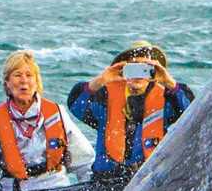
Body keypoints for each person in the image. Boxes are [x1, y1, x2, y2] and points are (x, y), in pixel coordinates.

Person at [0, 50, 93, 191]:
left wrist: (92, 188)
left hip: (56, 190)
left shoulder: (57, 114)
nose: (23, 81)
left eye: (29, 75)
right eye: (17, 75)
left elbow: (84, 160)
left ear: (36, 81)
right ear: (7, 83)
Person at [68, 41, 196, 178]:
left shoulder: (167, 100)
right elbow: (76, 104)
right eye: (133, 68)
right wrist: (101, 80)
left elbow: (192, 114)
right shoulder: (104, 98)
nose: (138, 74)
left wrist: (169, 82)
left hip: (148, 180)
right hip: (106, 180)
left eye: (145, 69)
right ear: (124, 70)